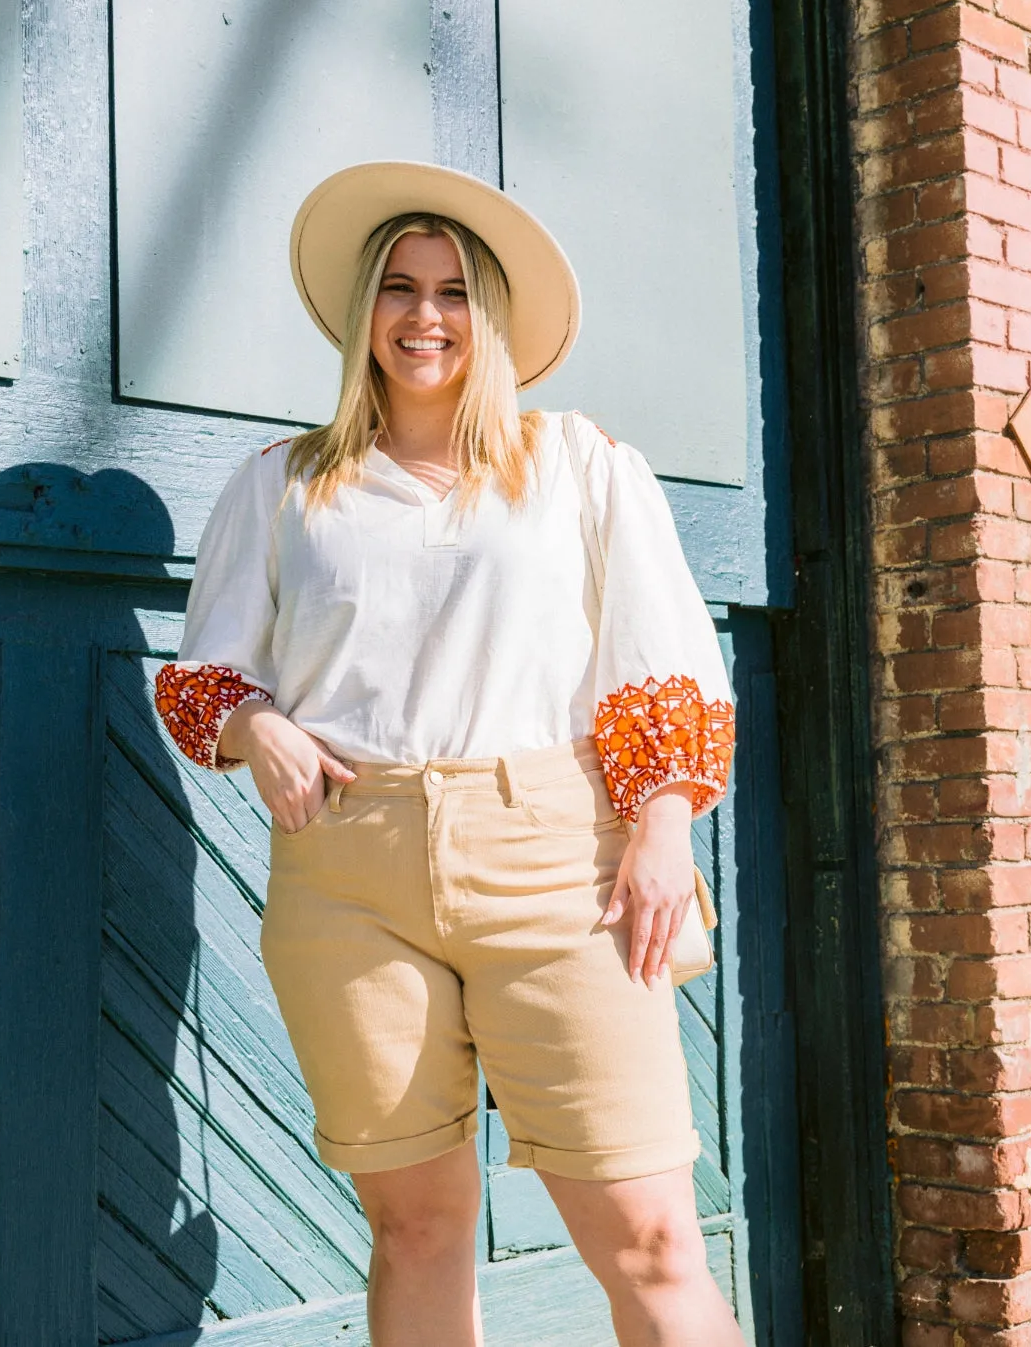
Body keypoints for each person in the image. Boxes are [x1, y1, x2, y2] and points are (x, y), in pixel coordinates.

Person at [154, 161, 743, 1347]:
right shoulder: (280, 485)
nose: (424, 315)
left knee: (653, 1239)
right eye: (399, 287)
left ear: (493, 318)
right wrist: (256, 725)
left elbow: (658, 660)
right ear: (363, 310)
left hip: (557, 859)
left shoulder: (577, 463)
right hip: (349, 870)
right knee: (415, 1232)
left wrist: (664, 826)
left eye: (454, 290)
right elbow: (204, 676)